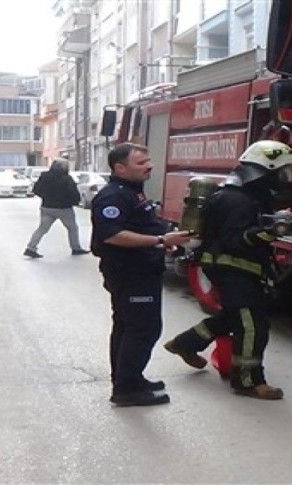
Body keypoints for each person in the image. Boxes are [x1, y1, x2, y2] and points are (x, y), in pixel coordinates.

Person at [164, 140, 292, 400]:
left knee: (233, 317)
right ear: (265, 170)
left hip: (230, 267)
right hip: (233, 269)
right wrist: (272, 231)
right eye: (282, 171)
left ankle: (185, 343)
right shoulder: (239, 201)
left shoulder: (241, 196)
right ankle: (248, 381)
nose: (285, 178)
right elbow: (235, 240)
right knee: (252, 325)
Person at [91, 143, 191, 407]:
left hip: (142, 270)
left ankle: (129, 379)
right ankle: (126, 389)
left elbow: (142, 226)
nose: (149, 166)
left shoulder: (133, 192)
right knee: (142, 329)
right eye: (141, 163)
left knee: (128, 327)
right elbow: (112, 235)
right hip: (130, 273)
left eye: (148, 161)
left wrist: (162, 239)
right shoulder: (113, 197)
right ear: (120, 168)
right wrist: (160, 239)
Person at [23, 159, 88, 258]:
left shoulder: (44, 176)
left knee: (42, 229)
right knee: (72, 228)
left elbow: (36, 189)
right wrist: (74, 202)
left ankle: (30, 248)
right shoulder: (66, 178)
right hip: (64, 208)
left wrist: (46, 197)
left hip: (47, 207)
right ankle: (76, 248)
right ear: (64, 168)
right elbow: (73, 193)